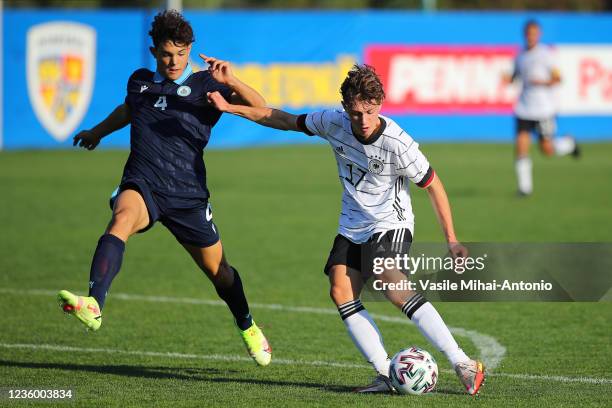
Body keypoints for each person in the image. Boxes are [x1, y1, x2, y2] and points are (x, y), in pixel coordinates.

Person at [207, 64, 485, 395]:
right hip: (352, 223)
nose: (363, 120)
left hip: (391, 221)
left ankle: (462, 361)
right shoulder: (332, 122)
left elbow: (433, 185)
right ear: (345, 109)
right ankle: (386, 374)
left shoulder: (398, 142)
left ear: (380, 103)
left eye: (369, 111)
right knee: (341, 290)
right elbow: (280, 118)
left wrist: (451, 239)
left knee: (388, 279)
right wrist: (229, 107)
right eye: (356, 113)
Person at [57, 10, 272, 367]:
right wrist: (97, 131)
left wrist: (231, 81)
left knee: (219, 272)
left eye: (181, 52)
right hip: (144, 181)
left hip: (188, 194)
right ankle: (94, 304)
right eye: (166, 53)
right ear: (154, 51)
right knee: (120, 219)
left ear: (190, 50)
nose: (173, 61)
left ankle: (248, 325)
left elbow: (261, 108)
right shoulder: (140, 81)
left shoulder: (206, 85)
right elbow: (129, 110)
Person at [504, 19, 579, 196]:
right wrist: (507, 79)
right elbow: (515, 77)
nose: (531, 36)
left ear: (539, 35)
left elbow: (558, 78)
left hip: (543, 109)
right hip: (524, 108)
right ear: (524, 34)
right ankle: (524, 188)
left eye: (534, 33)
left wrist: (543, 82)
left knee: (547, 149)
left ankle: (569, 144)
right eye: (528, 33)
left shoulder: (545, 55)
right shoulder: (520, 55)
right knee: (521, 145)